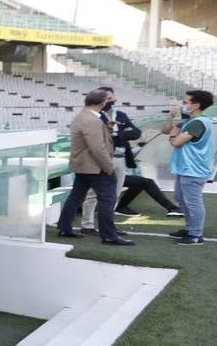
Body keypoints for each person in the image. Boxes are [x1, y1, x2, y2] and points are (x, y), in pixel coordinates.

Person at [55, 89, 134, 246]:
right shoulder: (92, 120)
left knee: (75, 197)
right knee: (108, 199)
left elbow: (94, 140)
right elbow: (97, 148)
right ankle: (109, 236)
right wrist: (109, 167)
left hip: (83, 166)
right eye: (108, 100)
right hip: (95, 167)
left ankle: (64, 227)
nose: (110, 103)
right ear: (102, 103)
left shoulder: (84, 116)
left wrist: (108, 129)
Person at [80, 86, 139, 232]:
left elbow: (137, 133)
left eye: (112, 98)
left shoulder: (121, 114)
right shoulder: (94, 116)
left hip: (120, 158)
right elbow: (100, 139)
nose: (111, 101)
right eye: (108, 99)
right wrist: (120, 134)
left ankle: (108, 224)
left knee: (115, 193)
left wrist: (116, 135)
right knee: (94, 193)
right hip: (102, 158)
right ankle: (87, 225)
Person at [162, 89, 215, 245]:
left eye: (185, 102)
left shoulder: (198, 122)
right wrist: (171, 116)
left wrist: (173, 136)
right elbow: (165, 130)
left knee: (192, 201)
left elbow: (176, 141)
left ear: (196, 105)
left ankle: (196, 235)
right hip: (186, 167)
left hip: (194, 168)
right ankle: (190, 228)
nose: (182, 105)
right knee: (181, 198)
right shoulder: (190, 121)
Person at [115, 172, 184, 217]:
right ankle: (172, 208)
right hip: (108, 174)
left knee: (142, 182)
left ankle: (121, 207)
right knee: (146, 182)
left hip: (113, 172)